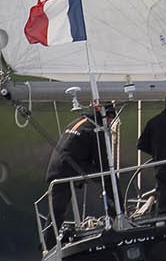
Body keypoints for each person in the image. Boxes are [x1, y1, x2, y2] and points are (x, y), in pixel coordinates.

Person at [42, 102, 114, 246]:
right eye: (111, 118)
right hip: (69, 169)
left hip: (57, 169)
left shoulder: (78, 122)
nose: (111, 122)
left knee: (57, 211)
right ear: (105, 115)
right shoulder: (95, 129)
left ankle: (47, 243)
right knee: (110, 177)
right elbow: (103, 163)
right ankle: (117, 215)